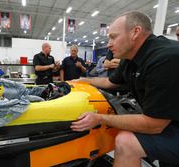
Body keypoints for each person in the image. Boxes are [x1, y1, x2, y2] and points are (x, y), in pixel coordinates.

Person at [71, 11, 179, 167]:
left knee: (126, 142)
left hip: (168, 125)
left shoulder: (165, 59)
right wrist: (83, 80)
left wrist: (100, 118)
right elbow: (110, 82)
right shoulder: (130, 57)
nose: (108, 43)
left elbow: (154, 125)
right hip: (169, 122)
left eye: (113, 37)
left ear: (135, 32)